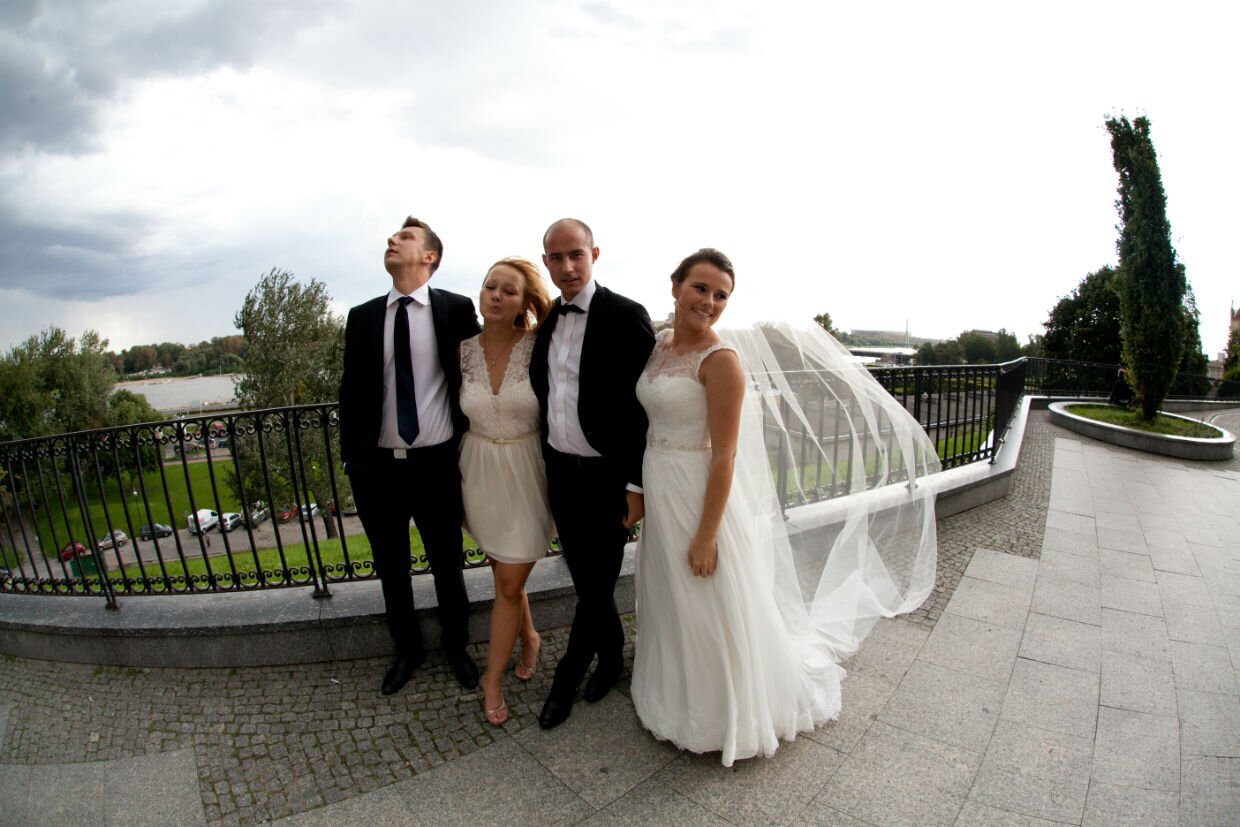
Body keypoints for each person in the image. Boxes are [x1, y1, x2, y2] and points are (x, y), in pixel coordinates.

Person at [630, 249, 939, 766]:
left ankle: (720, 712)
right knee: (671, 591)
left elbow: (725, 456)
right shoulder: (660, 345)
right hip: (660, 482)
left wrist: (707, 535)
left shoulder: (721, 361)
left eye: (721, 295)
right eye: (700, 288)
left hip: (698, 493)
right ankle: (671, 690)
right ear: (675, 286)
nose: (709, 302)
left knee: (705, 596)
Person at [339, 216, 482, 696]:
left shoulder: (455, 309)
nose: (391, 240)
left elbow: (480, 367)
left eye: (404, 237)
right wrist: (352, 458)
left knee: (447, 562)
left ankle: (457, 646)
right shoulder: (362, 316)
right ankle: (407, 650)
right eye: (393, 236)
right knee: (391, 567)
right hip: (377, 468)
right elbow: (351, 391)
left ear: (429, 256)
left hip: (436, 463)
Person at [530, 218, 656, 729]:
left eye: (576, 255)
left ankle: (566, 679)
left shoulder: (626, 315)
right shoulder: (548, 321)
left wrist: (635, 485)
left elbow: (646, 409)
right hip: (562, 474)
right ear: (546, 263)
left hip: (609, 479)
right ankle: (612, 657)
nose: (567, 266)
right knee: (588, 582)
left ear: (594, 254)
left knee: (598, 583)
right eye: (557, 258)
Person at [458, 257, 554, 726]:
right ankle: (529, 637)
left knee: (511, 582)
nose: (496, 295)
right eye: (490, 286)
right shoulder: (460, 352)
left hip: (528, 470)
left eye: (509, 291)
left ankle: (491, 680)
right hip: (477, 471)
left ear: (524, 303)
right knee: (503, 573)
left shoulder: (540, 348)